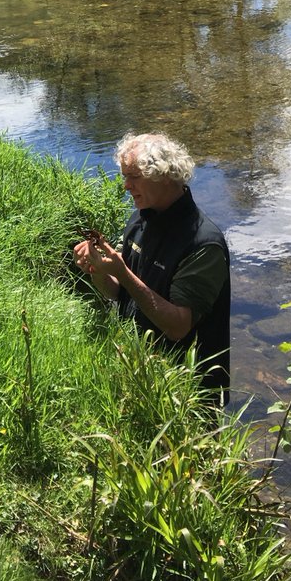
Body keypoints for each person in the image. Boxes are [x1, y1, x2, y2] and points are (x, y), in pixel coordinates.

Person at [73, 132, 230, 401]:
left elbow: (178, 326)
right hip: (142, 375)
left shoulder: (203, 244)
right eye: (124, 176)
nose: (126, 186)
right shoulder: (140, 220)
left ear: (165, 175)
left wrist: (122, 271)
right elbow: (119, 292)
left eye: (134, 176)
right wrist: (98, 270)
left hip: (187, 393)